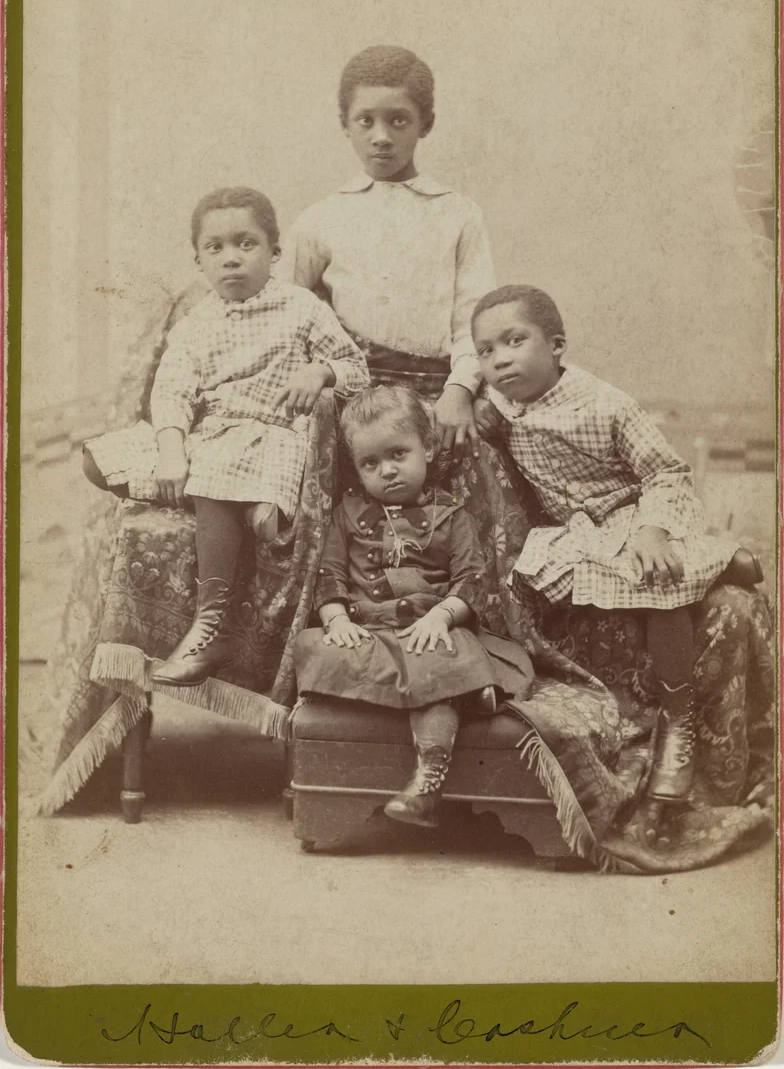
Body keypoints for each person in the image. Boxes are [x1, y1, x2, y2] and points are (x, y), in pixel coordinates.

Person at [471, 283, 764, 803]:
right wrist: (476, 406)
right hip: (581, 528)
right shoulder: (501, 407)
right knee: (532, 578)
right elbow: (476, 397)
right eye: (486, 351)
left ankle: (679, 721)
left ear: (557, 346)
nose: (499, 359)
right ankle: (721, 563)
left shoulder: (605, 404)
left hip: (640, 509)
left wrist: (652, 530)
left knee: (654, 581)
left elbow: (665, 473)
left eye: (515, 341)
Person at [82, 186, 369, 688]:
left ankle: (209, 624)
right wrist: (172, 452)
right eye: (215, 248)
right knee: (97, 458)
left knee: (219, 469)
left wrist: (321, 371)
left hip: (273, 435)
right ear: (199, 261)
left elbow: (357, 370)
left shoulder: (301, 308)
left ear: (274, 253)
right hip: (208, 435)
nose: (231, 258)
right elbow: (170, 393)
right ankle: (242, 510)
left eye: (246, 244)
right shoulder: (197, 324)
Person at [294, 385, 534, 828]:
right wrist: (336, 618)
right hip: (369, 631)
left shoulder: (452, 515)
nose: (386, 471)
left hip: (430, 630)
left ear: (427, 448)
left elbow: (472, 581)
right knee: (316, 650)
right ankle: (466, 692)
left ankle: (428, 777)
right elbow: (330, 575)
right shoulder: (346, 514)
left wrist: (442, 616)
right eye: (371, 463)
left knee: (443, 655)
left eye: (398, 454)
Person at [276, 44, 494, 460]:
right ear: (345, 124)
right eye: (366, 121)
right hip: (352, 392)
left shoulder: (457, 214)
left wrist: (460, 390)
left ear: (425, 123)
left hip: (435, 393)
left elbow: (473, 321)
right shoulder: (323, 217)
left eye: (398, 121)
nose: (381, 137)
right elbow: (287, 311)